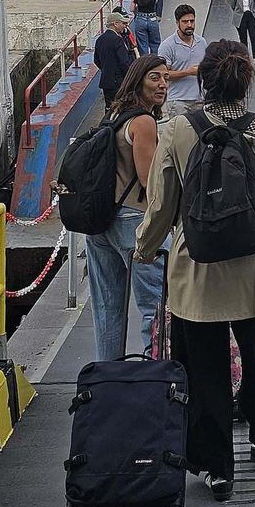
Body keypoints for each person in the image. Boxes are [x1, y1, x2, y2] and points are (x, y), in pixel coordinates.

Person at [133, 41, 255, 501]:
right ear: (247, 82)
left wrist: (145, 249)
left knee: (204, 366)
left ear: (204, 80)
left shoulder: (177, 130)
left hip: (198, 266)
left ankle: (216, 468)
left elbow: (162, 205)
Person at [86, 55, 168, 362]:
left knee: (107, 309)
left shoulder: (116, 113)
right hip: (133, 220)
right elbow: (149, 181)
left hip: (102, 222)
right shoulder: (144, 122)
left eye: (165, 79)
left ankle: (107, 379)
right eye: (155, 78)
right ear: (138, 79)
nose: (162, 85)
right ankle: (157, 376)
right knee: (156, 307)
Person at [158, 4, 208, 111]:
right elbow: (164, 74)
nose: (189, 25)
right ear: (177, 23)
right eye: (185, 22)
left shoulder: (202, 42)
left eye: (192, 21)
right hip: (177, 101)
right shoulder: (167, 45)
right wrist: (188, 72)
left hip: (199, 99)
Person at [93, 10, 136, 109]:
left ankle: (107, 124)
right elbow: (124, 62)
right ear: (115, 24)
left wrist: (106, 69)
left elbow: (96, 60)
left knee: (109, 108)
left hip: (106, 81)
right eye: (123, 23)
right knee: (121, 107)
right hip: (119, 81)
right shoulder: (117, 40)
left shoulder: (100, 39)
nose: (125, 26)